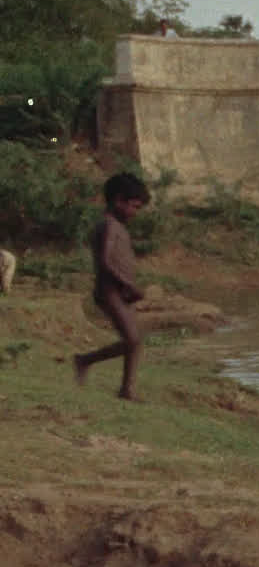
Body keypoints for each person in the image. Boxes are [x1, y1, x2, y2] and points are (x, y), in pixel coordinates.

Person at [73, 171, 152, 400]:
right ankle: (85, 360)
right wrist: (129, 284)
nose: (135, 213)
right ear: (119, 200)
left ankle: (127, 389)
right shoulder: (108, 225)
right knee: (132, 340)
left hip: (120, 292)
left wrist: (128, 288)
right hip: (109, 292)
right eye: (134, 207)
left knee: (134, 341)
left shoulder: (117, 226)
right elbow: (106, 262)